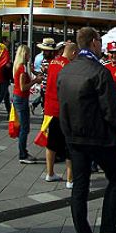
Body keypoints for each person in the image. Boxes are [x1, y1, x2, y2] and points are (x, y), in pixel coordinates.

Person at [57, 27, 116, 233]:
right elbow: (111, 111)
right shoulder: (99, 72)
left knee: (80, 187)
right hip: (97, 137)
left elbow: (63, 104)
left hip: (74, 136)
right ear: (93, 42)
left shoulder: (66, 70)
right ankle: (108, 225)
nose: (101, 44)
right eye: (99, 40)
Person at [43, 41, 77, 186]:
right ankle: (70, 179)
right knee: (70, 144)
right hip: (64, 110)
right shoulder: (69, 66)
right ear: (73, 53)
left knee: (51, 143)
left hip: (50, 109)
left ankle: (50, 173)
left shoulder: (53, 62)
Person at [12, 45, 42, 164]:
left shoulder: (20, 66)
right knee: (24, 128)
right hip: (21, 98)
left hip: (19, 98)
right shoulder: (21, 69)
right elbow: (23, 87)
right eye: (29, 54)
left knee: (24, 127)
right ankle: (22, 154)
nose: (30, 56)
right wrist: (35, 81)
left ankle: (23, 151)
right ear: (25, 54)